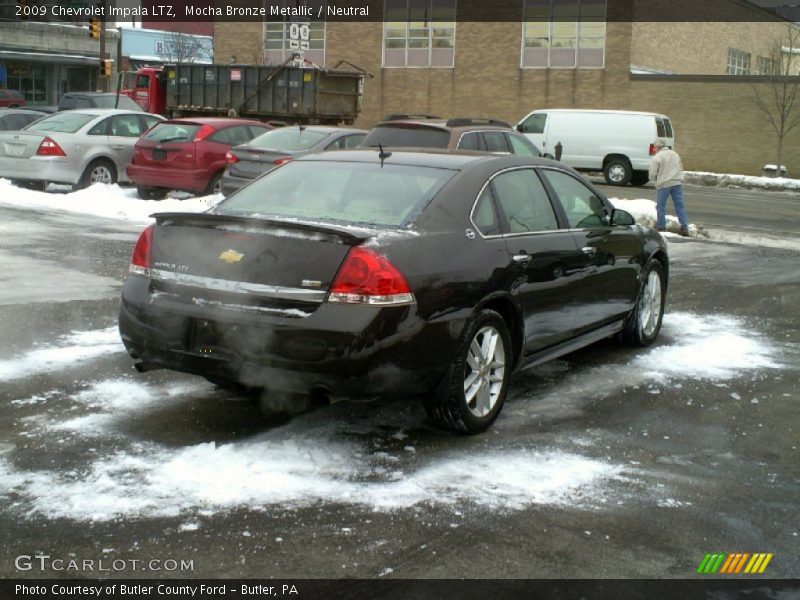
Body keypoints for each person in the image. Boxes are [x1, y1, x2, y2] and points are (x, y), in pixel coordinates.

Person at [649, 139, 690, 237]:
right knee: (679, 205)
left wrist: (655, 180)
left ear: (657, 147)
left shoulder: (658, 157)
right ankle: (684, 226)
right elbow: (680, 167)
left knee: (661, 206)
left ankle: (661, 226)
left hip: (664, 184)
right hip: (676, 182)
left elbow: (652, 173)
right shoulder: (675, 154)